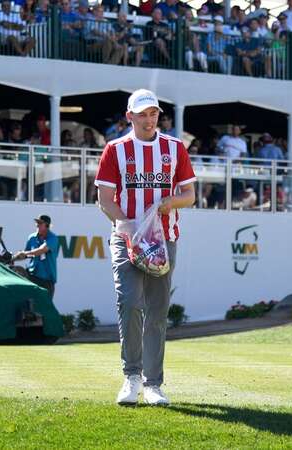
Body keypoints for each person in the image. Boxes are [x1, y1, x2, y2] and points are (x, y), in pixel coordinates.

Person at [94, 89, 196, 406]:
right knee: (129, 303)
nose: (149, 119)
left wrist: (169, 203)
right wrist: (127, 226)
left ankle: (153, 384)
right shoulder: (115, 149)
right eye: (142, 114)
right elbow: (105, 200)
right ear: (130, 116)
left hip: (163, 239)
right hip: (126, 238)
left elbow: (189, 195)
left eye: (153, 114)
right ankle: (132, 376)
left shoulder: (175, 148)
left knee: (156, 310)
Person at [13, 215, 59, 298]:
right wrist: (13, 258)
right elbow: (26, 255)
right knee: (27, 305)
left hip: (47, 281)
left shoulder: (53, 238)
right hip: (32, 277)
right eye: (37, 223)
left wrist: (25, 253)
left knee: (44, 308)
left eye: (40, 223)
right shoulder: (31, 237)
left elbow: (41, 250)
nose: (37, 225)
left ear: (47, 225)